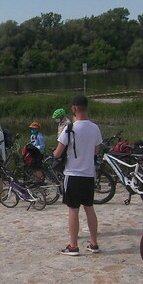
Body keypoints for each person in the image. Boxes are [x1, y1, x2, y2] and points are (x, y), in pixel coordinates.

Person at [53, 95, 103, 256]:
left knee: (73, 210)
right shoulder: (95, 128)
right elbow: (96, 150)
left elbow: (57, 153)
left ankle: (73, 246)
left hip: (73, 174)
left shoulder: (70, 129)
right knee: (89, 208)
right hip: (89, 174)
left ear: (74, 109)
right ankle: (94, 243)